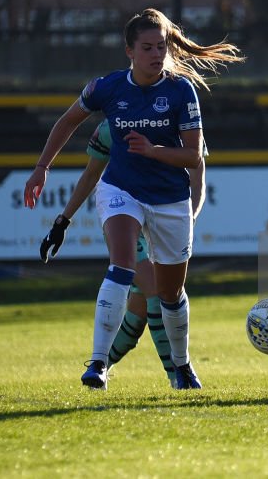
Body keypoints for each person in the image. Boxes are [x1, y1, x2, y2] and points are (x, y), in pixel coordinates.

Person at [24, 8, 243, 391]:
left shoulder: (180, 91)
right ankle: (96, 363)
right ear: (129, 51)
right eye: (147, 48)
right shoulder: (106, 88)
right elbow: (67, 123)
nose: (156, 54)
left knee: (170, 294)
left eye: (161, 47)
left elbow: (193, 159)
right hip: (121, 191)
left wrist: (154, 151)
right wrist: (43, 168)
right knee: (123, 265)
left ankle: (181, 366)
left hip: (170, 198)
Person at [39, 119, 207, 387]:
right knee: (154, 292)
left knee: (137, 316)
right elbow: (91, 173)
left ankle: (101, 367)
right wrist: (62, 221)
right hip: (126, 216)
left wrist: (189, 220)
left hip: (166, 218)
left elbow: (197, 181)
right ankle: (178, 376)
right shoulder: (111, 127)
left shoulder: (183, 124)